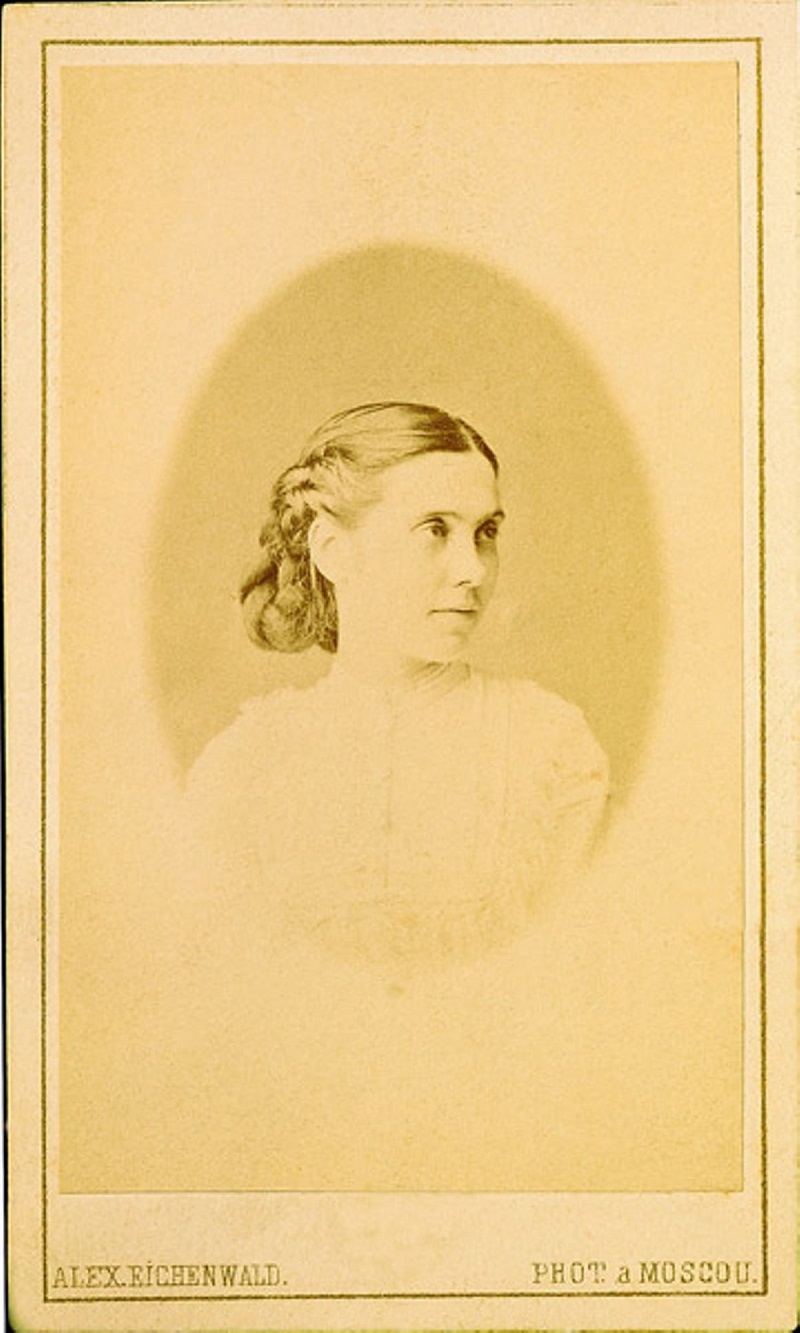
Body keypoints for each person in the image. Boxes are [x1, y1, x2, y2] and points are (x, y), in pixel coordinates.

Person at [183, 401, 609, 980]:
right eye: (435, 530)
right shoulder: (244, 765)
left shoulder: (552, 746)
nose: (473, 569)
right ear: (332, 550)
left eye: (485, 533)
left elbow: (579, 972)